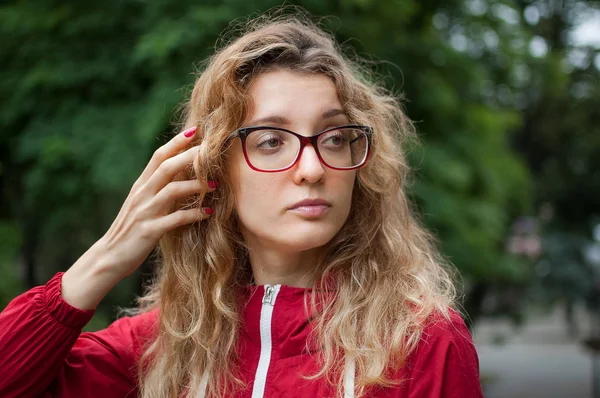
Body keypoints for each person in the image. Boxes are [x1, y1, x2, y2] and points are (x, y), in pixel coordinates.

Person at [0, 11, 483, 398]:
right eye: (271, 140)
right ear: (215, 171)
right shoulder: (164, 348)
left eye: (335, 137)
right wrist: (107, 256)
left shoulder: (420, 343)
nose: (313, 169)